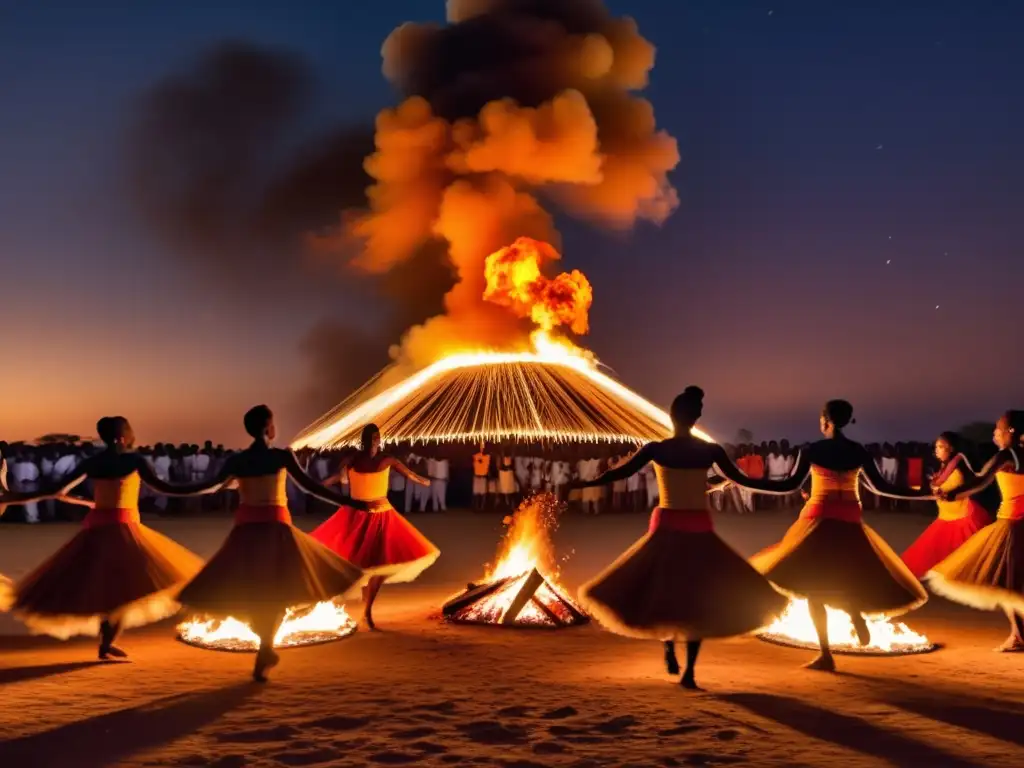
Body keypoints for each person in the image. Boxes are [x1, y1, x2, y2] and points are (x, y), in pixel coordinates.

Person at [574, 387, 788, 689]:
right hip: (699, 530)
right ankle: (688, 671)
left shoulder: (656, 449)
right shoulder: (709, 452)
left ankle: (668, 646)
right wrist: (785, 486)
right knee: (696, 599)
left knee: (665, 588)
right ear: (696, 417)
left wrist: (589, 482)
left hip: (667, 527)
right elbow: (741, 481)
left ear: (672, 416)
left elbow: (621, 474)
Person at [722, 400, 931, 672]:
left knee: (813, 587)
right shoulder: (858, 451)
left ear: (825, 421)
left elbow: (789, 485)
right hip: (850, 518)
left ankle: (826, 655)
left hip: (818, 518)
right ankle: (852, 610)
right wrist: (923, 493)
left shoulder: (814, 449)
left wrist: (741, 481)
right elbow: (881, 488)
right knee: (847, 573)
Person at [176, 406, 366, 682]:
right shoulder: (280, 456)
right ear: (268, 428)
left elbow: (208, 486)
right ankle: (265, 647)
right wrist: (348, 501)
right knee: (278, 589)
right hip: (277, 531)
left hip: (246, 533)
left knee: (254, 589)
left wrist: (170, 488)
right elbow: (310, 486)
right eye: (273, 423)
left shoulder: (238, 460)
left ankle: (265, 647)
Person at [0, 417, 204, 659]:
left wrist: (85, 502)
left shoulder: (93, 462)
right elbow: (167, 488)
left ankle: (106, 644)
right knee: (122, 590)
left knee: (108, 588)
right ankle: (106, 644)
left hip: (98, 528)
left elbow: (58, 492)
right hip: (125, 530)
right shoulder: (133, 460)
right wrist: (209, 487)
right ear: (121, 437)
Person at [311, 424, 438, 630]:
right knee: (358, 564)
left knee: (381, 564)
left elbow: (408, 473)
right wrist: (321, 485)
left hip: (382, 515)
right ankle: (356, 603)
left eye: (378, 437)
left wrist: (422, 481)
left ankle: (367, 610)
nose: (375, 441)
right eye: (372, 438)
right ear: (366, 440)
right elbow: (338, 477)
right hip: (357, 514)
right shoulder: (352, 459)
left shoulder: (386, 459)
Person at [928, 411, 1024, 651]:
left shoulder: (1007, 455)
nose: (994, 432)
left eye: (998, 428)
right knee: (1013, 585)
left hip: (1012, 523)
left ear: (1011, 431)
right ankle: (1019, 635)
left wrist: (952, 493)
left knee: (1007, 585)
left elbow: (981, 480)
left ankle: (1019, 636)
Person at [901, 432, 990, 578]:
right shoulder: (943, 468)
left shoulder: (961, 466)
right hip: (945, 517)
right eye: (936, 446)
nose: (937, 450)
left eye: (941, 446)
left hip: (963, 517)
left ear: (952, 448)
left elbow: (973, 485)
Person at [472, 443, 490, 510]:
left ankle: (482, 507)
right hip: (477, 476)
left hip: (483, 476)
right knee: (476, 493)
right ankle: (476, 507)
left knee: (483, 493)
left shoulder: (488, 457)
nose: (482, 449)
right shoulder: (476, 456)